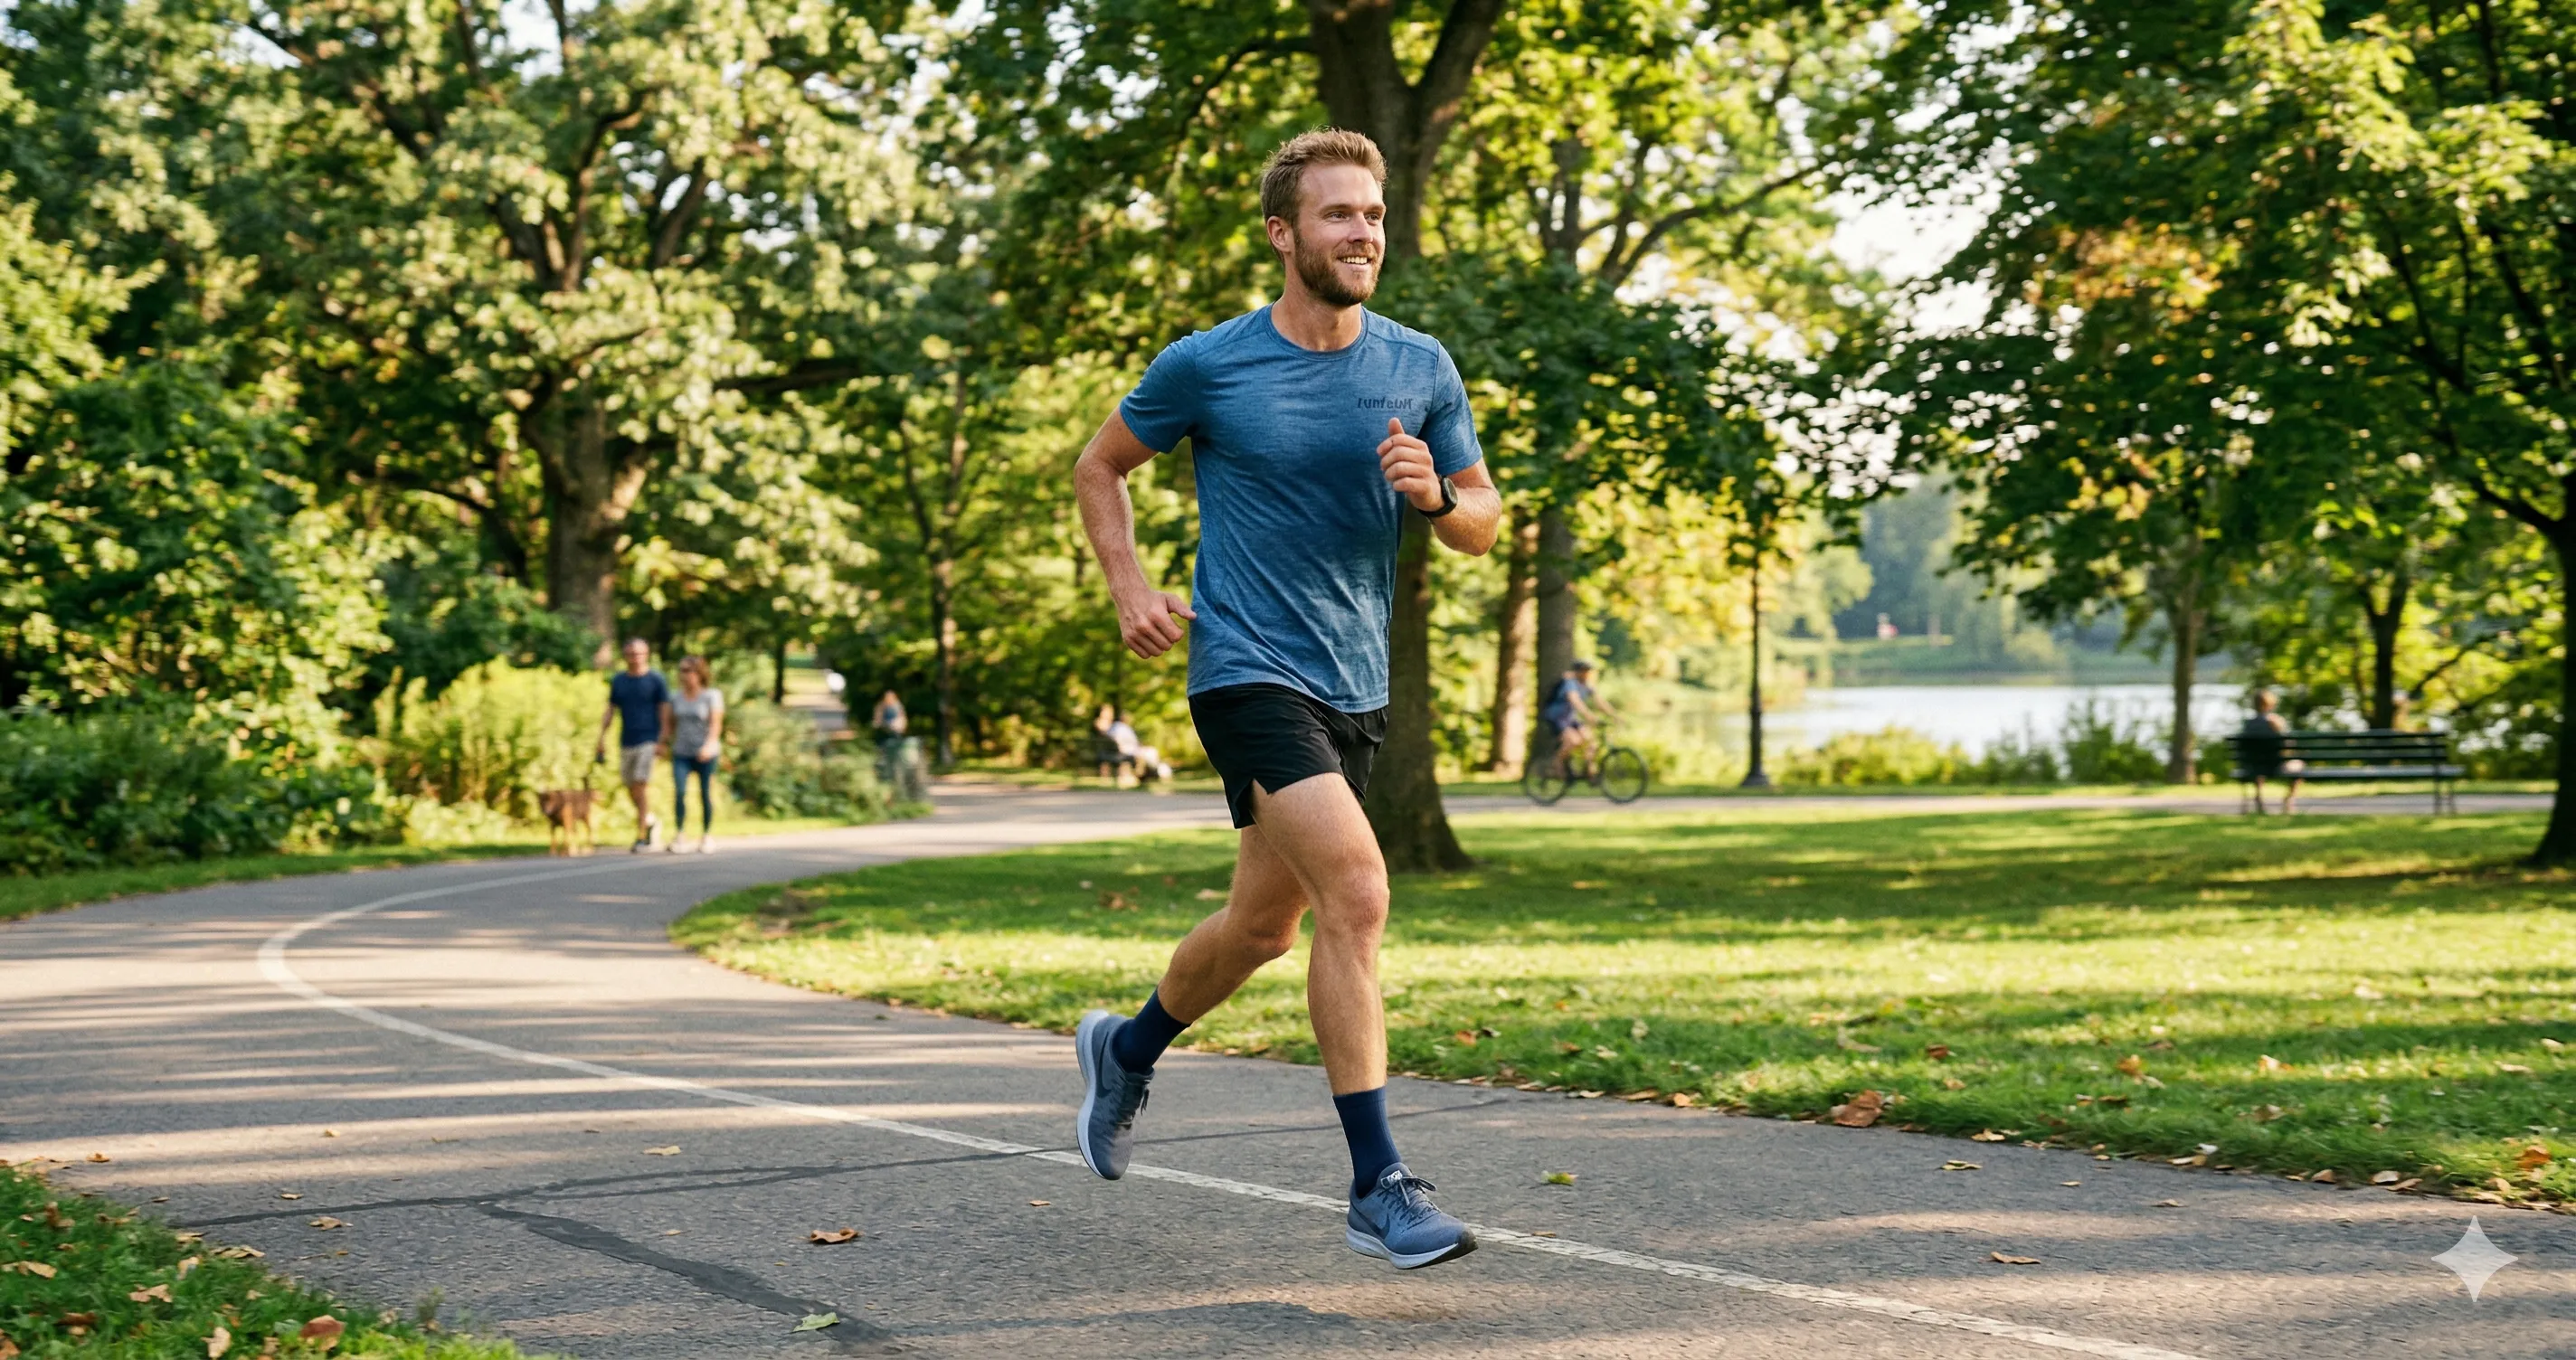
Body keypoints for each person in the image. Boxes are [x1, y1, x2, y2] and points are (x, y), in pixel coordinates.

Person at [1069, 128, 1501, 1271]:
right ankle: (1380, 1185)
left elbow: (1482, 517)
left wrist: (1436, 501)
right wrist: (1130, 588)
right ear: (1282, 233)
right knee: (1357, 893)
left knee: (1266, 926)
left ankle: (1127, 1048)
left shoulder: (1421, 365)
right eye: (1336, 216)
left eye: (1372, 215)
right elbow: (1099, 465)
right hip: (1246, 667)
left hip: (1355, 682)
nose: (1362, 233)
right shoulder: (1210, 364)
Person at [592, 638, 669, 852]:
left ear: (646, 655)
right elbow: (610, 710)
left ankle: (642, 836)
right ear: (625, 656)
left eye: (639, 654)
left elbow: (664, 712)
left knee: (640, 784)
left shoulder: (656, 680)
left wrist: (663, 740)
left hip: (649, 739)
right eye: (631, 654)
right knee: (629, 787)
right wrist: (601, 738)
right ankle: (650, 820)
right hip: (627, 740)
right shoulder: (619, 681)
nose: (635, 658)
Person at [664, 656, 725, 854]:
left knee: (705, 793)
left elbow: (716, 724)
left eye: (689, 670)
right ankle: (680, 834)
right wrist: (663, 743)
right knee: (680, 792)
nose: (685, 675)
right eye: (682, 670)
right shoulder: (676, 697)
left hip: (706, 753)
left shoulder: (711, 696)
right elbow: (670, 724)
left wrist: (709, 746)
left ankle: (706, 835)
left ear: (699, 672)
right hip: (682, 752)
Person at [1537, 660, 1609, 775]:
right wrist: (1589, 716)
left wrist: (1615, 716)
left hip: (1569, 718)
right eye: (1585, 671)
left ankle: (1589, 771)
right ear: (1578, 672)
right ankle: (1556, 765)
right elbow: (1575, 701)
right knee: (1573, 741)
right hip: (1556, 717)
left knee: (1590, 740)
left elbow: (1600, 702)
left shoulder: (1586, 685)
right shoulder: (1569, 683)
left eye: (1588, 672)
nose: (1587, 674)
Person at [2240, 689, 2305, 814]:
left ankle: (2258, 797)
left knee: (2258, 765)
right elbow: (2287, 745)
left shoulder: (2248, 724)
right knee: (2299, 765)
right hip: (2276, 765)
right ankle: (2288, 800)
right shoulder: (2275, 722)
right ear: (2270, 704)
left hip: (2253, 765)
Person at [1109, 707, 1171, 782]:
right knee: (1149, 753)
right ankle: (1154, 772)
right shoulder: (1119, 727)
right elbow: (1118, 740)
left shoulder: (1119, 727)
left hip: (1130, 749)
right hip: (1126, 750)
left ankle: (1153, 772)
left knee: (1151, 751)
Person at [1092, 703, 1137, 784]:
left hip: (1111, 752)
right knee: (1124, 756)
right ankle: (1121, 778)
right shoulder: (1104, 724)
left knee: (1124, 755)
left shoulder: (1114, 725)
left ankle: (1123, 778)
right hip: (1109, 752)